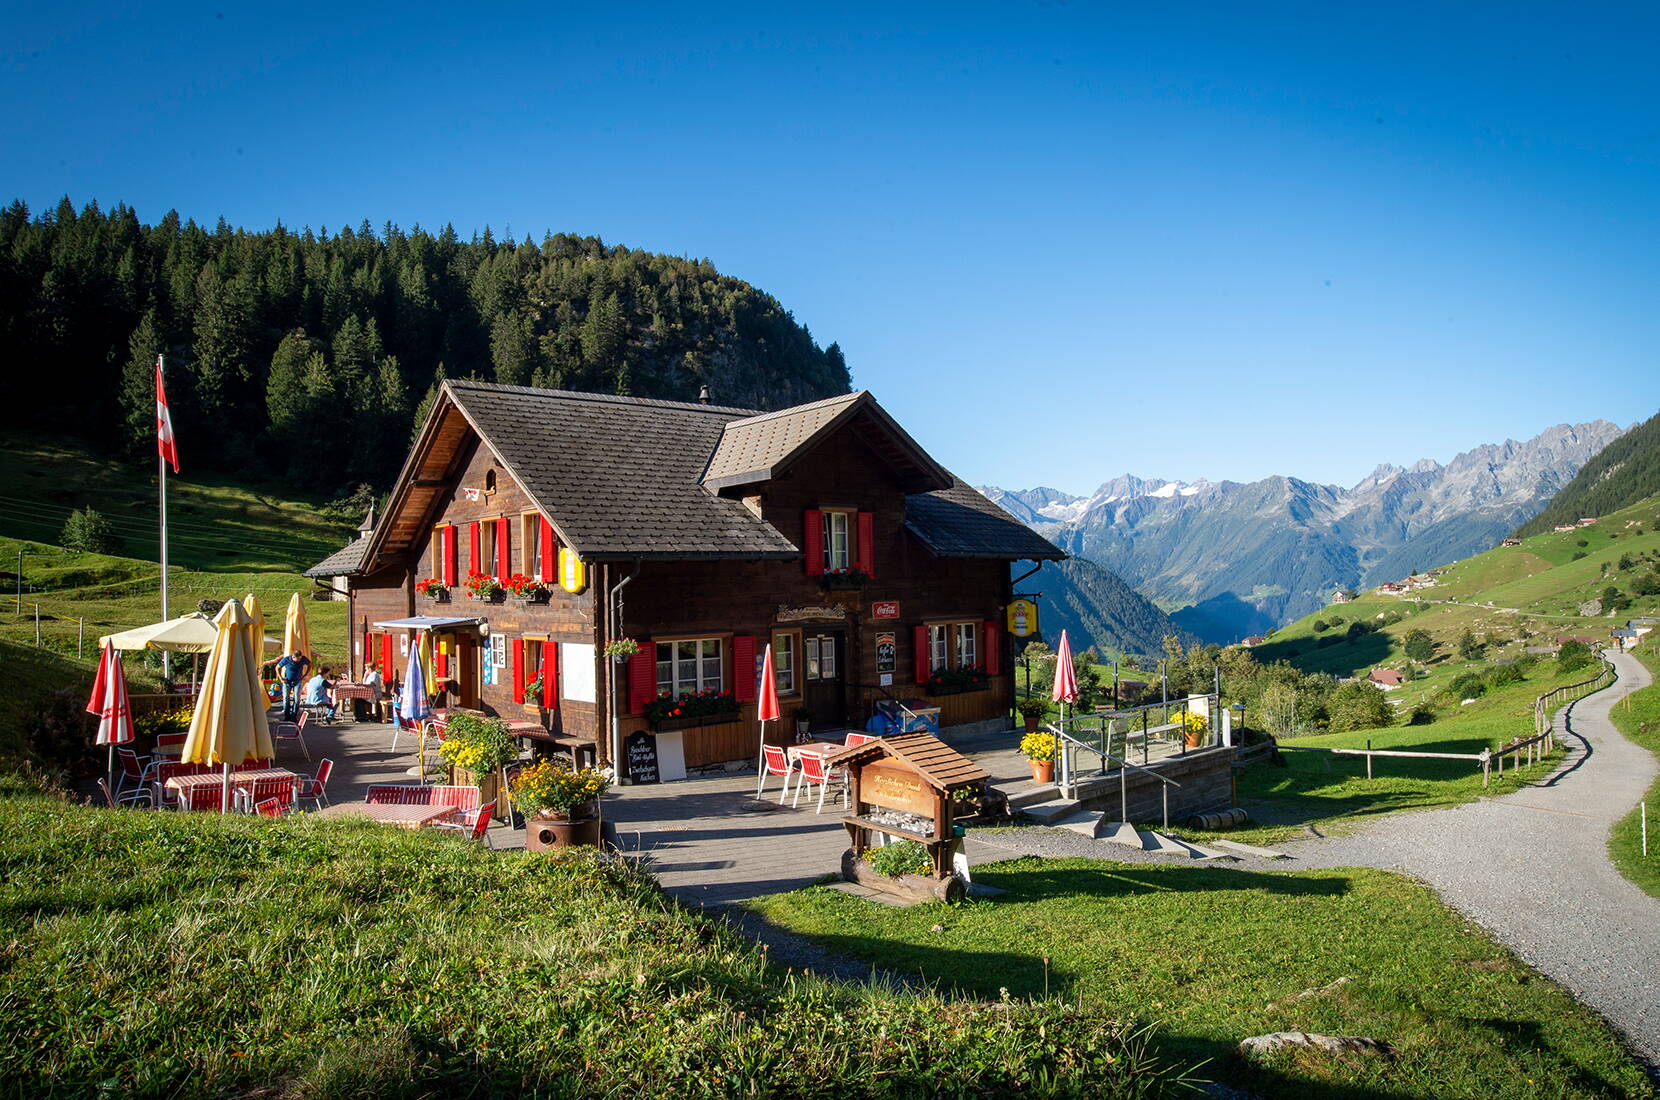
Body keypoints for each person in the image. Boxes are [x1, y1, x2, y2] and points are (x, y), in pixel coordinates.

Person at [274, 648, 310, 721]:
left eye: (300, 659)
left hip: (298, 681)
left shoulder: (303, 659)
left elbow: (310, 664)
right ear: (293, 657)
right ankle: (287, 716)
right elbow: (277, 667)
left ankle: (294, 716)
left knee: (297, 699)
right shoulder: (286, 659)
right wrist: (280, 678)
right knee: (286, 698)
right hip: (287, 681)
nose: (299, 661)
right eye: (297, 659)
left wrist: (305, 674)